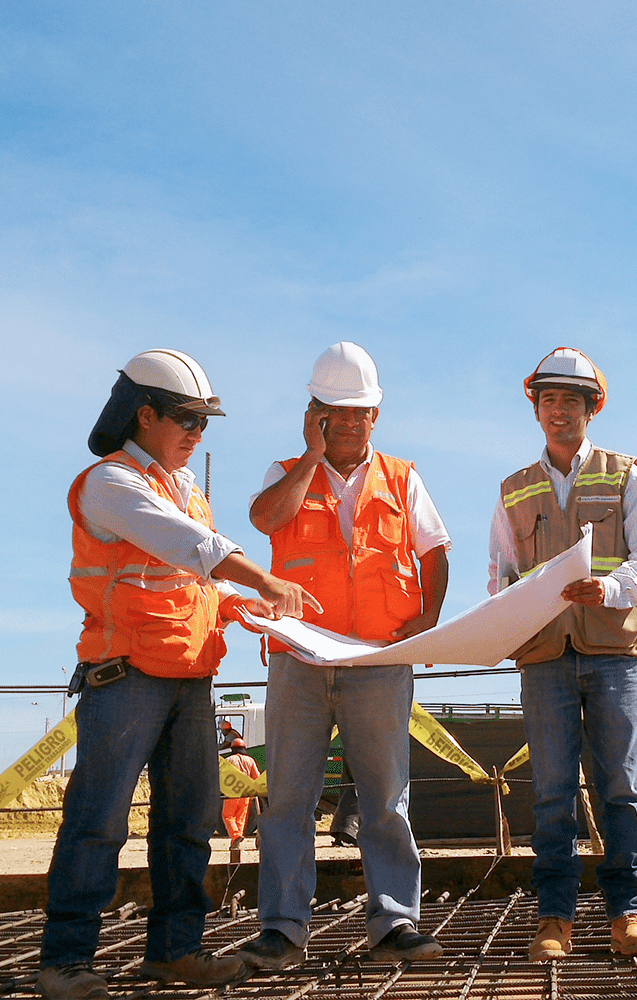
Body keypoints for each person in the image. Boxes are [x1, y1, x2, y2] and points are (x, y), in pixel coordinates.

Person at [38, 350, 321, 1000]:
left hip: (191, 677)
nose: (197, 432)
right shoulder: (110, 482)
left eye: (203, 422)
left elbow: (196, 581)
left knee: (189, 821)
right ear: (145, 415)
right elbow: (187, 545)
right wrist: (265, 581)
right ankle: (66, 962)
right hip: (125, 678)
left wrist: (241, 605)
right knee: (99, 820)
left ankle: (175, 951)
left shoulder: (187, 489)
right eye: (187, 419)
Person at [238, 342, 450, 969]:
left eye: (361, 411)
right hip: (299, 660)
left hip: (379, 660)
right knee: (289, 798)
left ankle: (395, 922)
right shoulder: (286, 472)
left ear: (376, 415)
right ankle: (282, 928)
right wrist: (311, 456)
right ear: (316, 415)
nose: (351, 423)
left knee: (385, 799)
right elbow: (264, 520)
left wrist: (429, 621)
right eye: (336, 411)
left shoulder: (403, 478)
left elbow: (435, 551)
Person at [488, 347, 637, 962]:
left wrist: (609, 589)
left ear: (592, 408)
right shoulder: (514, 490)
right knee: (553, 792)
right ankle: (554, 918)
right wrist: (507, 616)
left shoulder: (625, 475)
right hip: (544, 658)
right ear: (536, 408)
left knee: (620, 789)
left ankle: (629, 914)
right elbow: (501, 576)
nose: (558, 410)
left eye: (570, 399)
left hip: (614, 652)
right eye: (548, 399)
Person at [221, 738, 261, 844]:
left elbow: (222, 777)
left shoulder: (229, 760)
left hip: (232, 793)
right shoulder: (250, 760)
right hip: (246, 794)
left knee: (228, 816)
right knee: (240, 819)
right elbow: (257, 777)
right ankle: (236, 843)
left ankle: (236, 836)